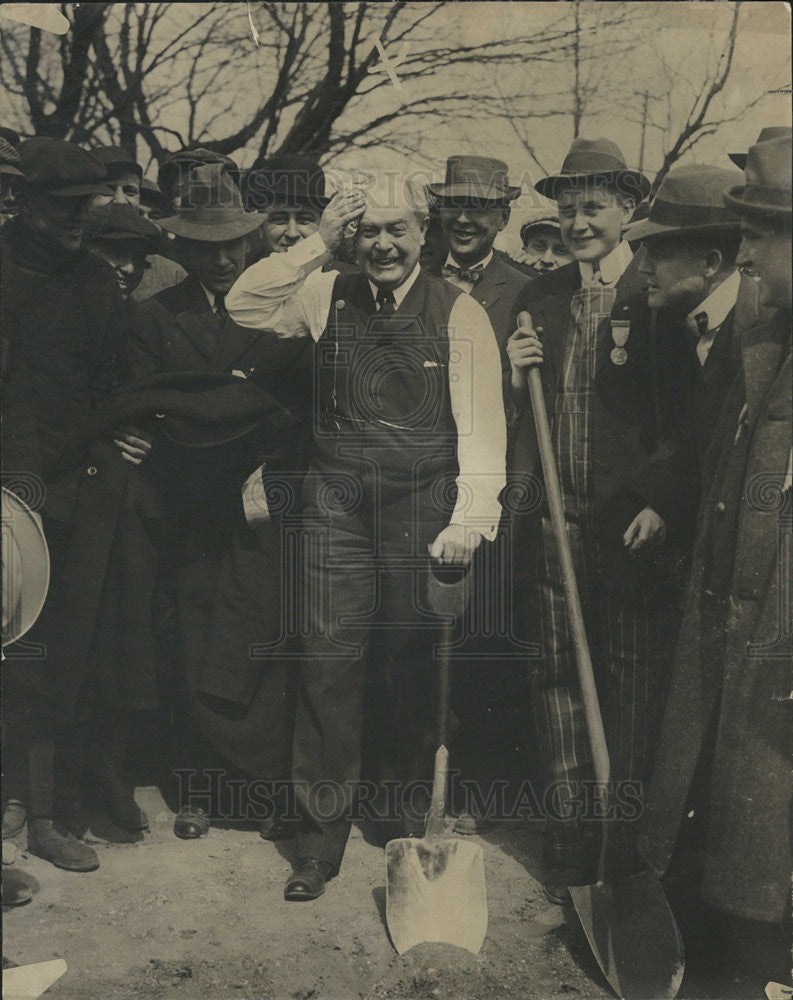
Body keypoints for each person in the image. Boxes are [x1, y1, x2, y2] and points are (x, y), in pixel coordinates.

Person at [227, 174, 507, 901]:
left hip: (420, 501)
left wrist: (468, 521)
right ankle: (317, 844)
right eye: (369, 231)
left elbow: (481, 427)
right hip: (336, 502)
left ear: (425, 235)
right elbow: (245, 306)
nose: (382, 244)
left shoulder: (461, 311)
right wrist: (316, 243)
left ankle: (397, 811)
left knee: (407, 659)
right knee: (328, 659)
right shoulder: (325, 291)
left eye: (398, 231)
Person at [507, 137, 695, 903]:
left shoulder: (655, 292)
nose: (578, 221)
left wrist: (660, 501)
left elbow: (685, 415)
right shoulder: (540, 299)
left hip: (629, 526)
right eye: (567, 208)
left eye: (593, 207)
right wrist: (513, 361)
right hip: (556, 519)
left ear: (626, 210)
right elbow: (524, 414)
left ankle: (626, 847)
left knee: (629, 677)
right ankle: (569, 835)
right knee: (553, 676)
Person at [640, 134, 792, 994]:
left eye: (765, 236)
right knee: (728, 837)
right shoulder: (759, 332)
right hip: (729, 618)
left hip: (778, 640)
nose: (747, 256)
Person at [123, 162, 313, 843]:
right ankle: (198, 787)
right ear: (184, 247)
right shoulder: (154, 317)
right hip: (190, 504)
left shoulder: (282, 314)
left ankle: (261, 788)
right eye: (208, 247)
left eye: (235, 243)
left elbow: (298, 402)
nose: (225, 257)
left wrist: (266, 458)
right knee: (193, 637)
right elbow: (152, 405)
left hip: (265, 499)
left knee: (260, 640)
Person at [2, 137, 160, 870]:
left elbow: (116, 377)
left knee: (64, 649)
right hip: (12, 488)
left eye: (85, 208)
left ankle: (49, 811)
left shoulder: (96, 280)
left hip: (76, 486)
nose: (76, 220)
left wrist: (123, 431)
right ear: (25, 204)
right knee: (16, 649)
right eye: (62, 208)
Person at [629, 164, 767, 472]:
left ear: (711, 263)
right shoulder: (677, 324)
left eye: (659, 254)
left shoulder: (761, 331)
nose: (643, 268)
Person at [429, 155, 530, 353]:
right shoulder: (414, 280)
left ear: (504, 218)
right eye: (454, 204)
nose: (463, 218)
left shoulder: (525, 291)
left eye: (478, 207)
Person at [241, 154, 330, 261]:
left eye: (304, 220)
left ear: (321, 225)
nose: (292, 234)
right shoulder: (245, 276)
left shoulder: (342, 276)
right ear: (261, 227)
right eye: (279, 220)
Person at [88, 202, 161, 300]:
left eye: (139, 257)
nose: (129, 270)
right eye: (117, 253)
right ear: (89, 250)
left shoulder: (141, 313)